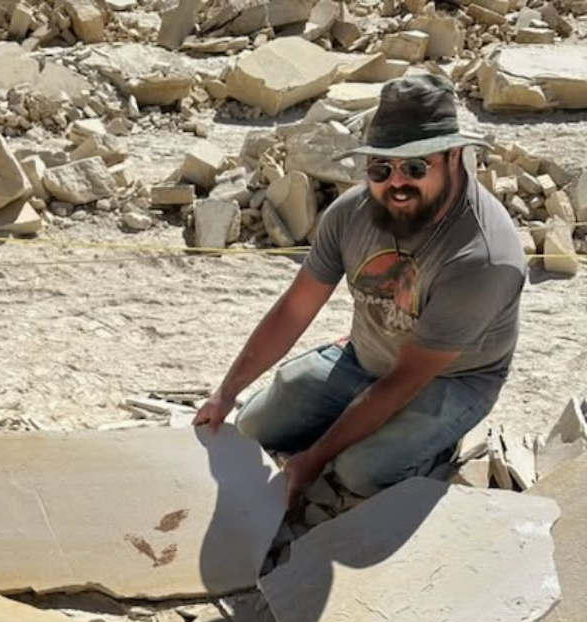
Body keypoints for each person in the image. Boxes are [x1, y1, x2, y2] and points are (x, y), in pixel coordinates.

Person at [194, 74, 527, 505]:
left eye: (415, 167)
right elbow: (296, 308)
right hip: (367, 355)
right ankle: (358, 421)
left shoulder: (481, 257)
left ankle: (434, 445)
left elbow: (406, 379)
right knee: (254, 425)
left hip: (452, 377)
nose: (396, 184)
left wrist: (313, 459)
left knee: (360, 473)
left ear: (454, 156)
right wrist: (226, 392)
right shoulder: (351, 214)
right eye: (380, 169)